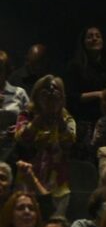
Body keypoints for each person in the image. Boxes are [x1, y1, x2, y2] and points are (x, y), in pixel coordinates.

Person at [14, 75, 76, 210]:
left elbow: (69, 141)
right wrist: (42, 114)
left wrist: (57, 113)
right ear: (37, 95)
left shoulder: (66, 118)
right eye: (46, 91)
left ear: (62, 97)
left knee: (55, 220)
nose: (51, 93)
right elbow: (22, 138)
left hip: (57, 182)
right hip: (28, 178)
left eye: (55, 90)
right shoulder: (27, 115)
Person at [63, 26, 106, 144]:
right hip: (83, 121)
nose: (94, 39)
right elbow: (71, 96)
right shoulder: (75, 66)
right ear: (83, 42)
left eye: (98, 36)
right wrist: (98, 94)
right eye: (90, 37)